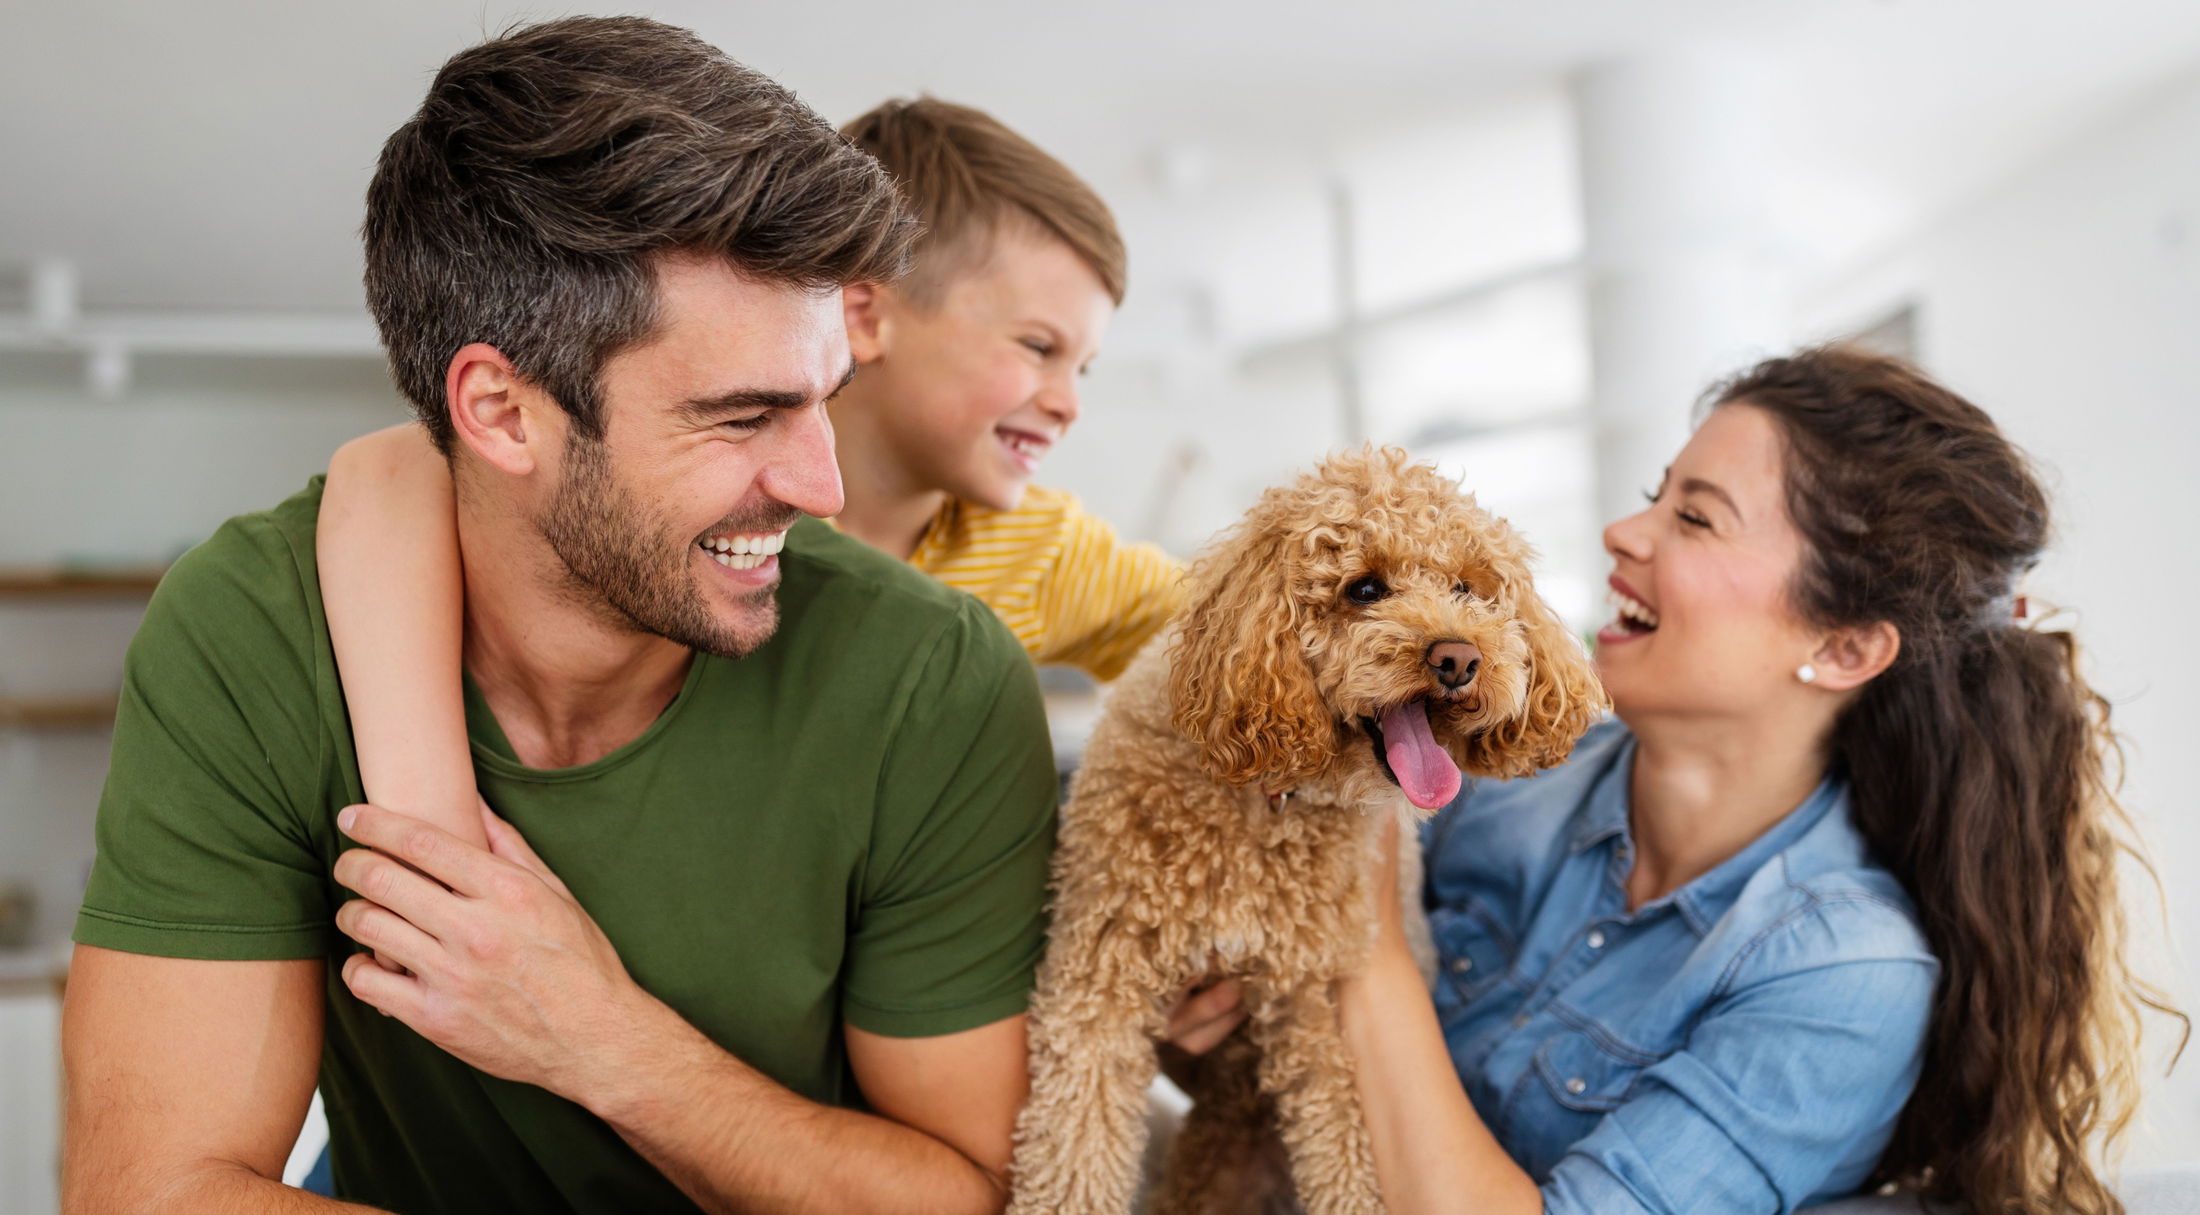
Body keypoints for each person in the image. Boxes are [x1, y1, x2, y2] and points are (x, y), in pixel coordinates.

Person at [63, 18, 1061, 1214]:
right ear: (500, 412)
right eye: (741, 418)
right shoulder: (256, 633)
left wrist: (604, 1041)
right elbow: (153, 1193)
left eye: (822, 403)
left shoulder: (931, 683)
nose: (822, 488)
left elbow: (972, 1198)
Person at [1294, 346, 2184, 1214]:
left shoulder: (1845, 976)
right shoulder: (1499, 779)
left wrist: (1359, 932)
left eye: (1695, 517)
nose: (1622, 531)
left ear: (1843, 647)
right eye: (1656, 495)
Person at [319, 97, 1185, 851]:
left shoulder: (1044, 550)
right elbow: (390, 470)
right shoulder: (704, 513)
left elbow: (1244, 635)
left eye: (1087, 367)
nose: (1069, 402)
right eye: (1039, 347)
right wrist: (428, 808)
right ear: (864, 315)